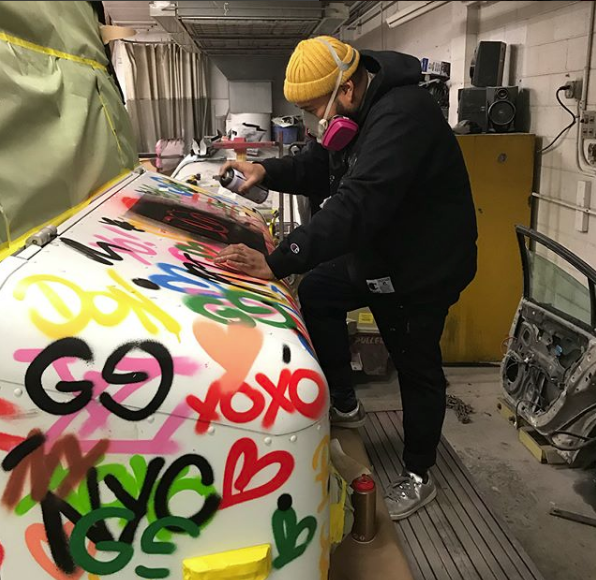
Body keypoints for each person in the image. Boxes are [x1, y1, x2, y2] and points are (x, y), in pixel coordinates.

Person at [215, 36, 477, 519]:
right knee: (319, 291)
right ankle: (346, 403)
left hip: (422, 266)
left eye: (315, 108)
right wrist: (264, 172)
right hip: (381, 255)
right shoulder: (360, 111)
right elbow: (320, 165)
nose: (315, 120)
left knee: (415, 365)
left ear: (348, 89)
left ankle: (419, 474)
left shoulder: (403, 117)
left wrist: (278, 261)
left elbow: (358, 205)